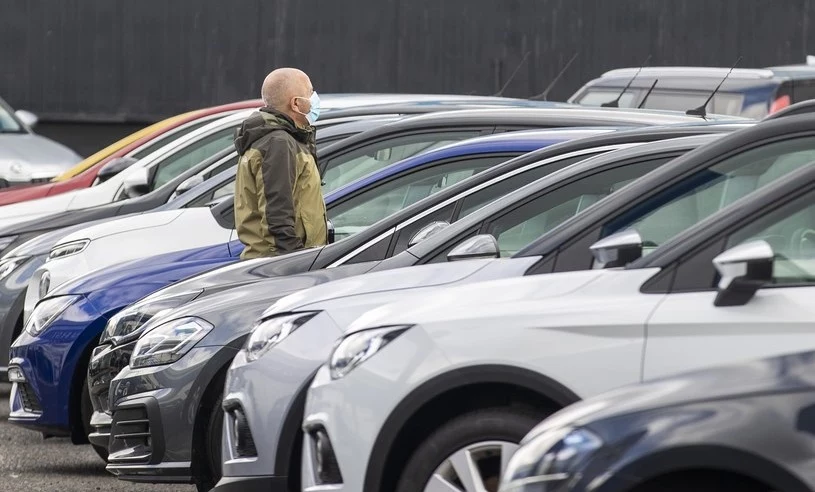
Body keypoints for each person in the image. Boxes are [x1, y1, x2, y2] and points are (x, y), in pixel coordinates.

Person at [233, 67, 327, 259]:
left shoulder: (279, 139)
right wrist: (297, 261)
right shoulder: (278, 143)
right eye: (310, 93)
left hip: (277, 263)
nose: (315, 98)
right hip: (280, 268)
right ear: (296, 103)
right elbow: (277, 215)